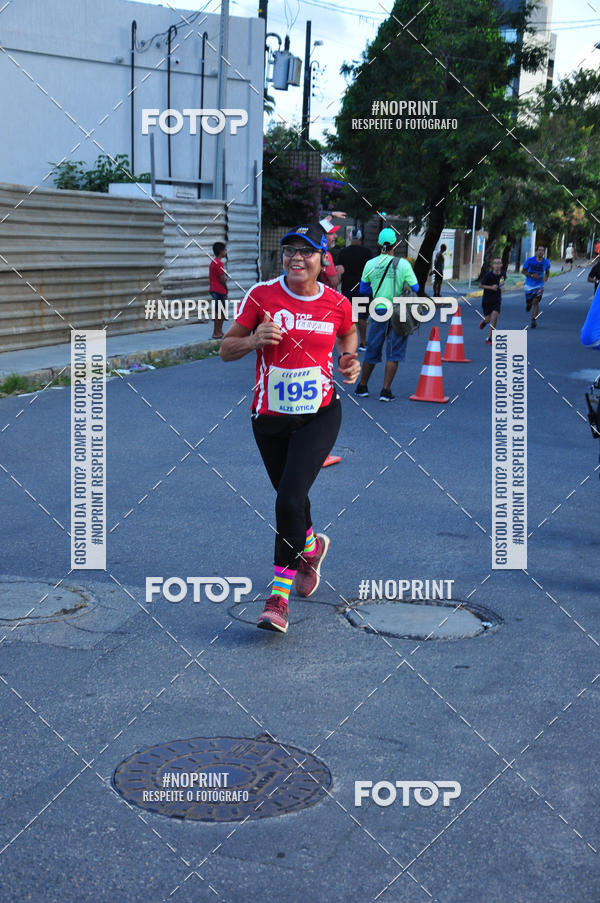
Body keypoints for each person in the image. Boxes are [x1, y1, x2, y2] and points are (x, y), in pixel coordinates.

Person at [219, 223, 360, 634]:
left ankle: (278, 599)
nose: (296, 258)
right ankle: (310, 549)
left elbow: (349, 332)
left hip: (319, 414)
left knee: (289, 498)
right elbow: (226, 349)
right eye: (289, 250)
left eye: (306, 251)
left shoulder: (336, 303)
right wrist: (253, 340)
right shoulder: (262, 296)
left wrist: (348, 358)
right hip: (269, 420)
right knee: (292, 499)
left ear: (322, 259)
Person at [355, 227, 420, 402]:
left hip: (379, 310)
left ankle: (362, 386)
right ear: (395, 244)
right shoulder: (404, 264)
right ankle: (385, 390)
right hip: (399, 312)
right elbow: (415, 287)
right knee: (393, 352)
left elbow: (363, 290)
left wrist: (377, 288)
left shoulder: (370, 264)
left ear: (378, 244)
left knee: (373, 348)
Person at [337, 228, 373, 351]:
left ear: (349, 237)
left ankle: (347, 343)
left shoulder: (343, 252)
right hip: (362, 288)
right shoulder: (367, 252)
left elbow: (339, 270)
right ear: (361, 238)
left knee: (348, 317)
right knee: (362, 316)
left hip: (347, 288)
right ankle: (363, 342)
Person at [522, 245, 550, 329]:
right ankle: (528, 304)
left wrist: (546, 278)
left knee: (536, 301)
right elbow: (523, 271)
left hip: (539, 285)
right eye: (539, 250)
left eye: (542, 250)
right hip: (529, 285)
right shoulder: (530, 260)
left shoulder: (546, 262)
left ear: (544, 252)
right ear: (536, 251)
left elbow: (547, 271)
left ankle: (533, 320)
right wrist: (531, 275)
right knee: (529, 301)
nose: (541, 252)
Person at [478, 257, 505, 345]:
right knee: (488, 319)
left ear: (501, 265)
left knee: (494, 318)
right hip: (487, 300)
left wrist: (502, 286)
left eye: (499, 263)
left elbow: (502, 284)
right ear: (493, 265)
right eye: (495, 263)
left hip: (497, 299)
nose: (497, 265)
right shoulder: (488, 275)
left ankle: (489, 338)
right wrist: (491, 287)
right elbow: (480, 285)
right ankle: (485, 322)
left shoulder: (503, 274)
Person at [209, 241, 228, 339]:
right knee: (220, 312)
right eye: (225, 250)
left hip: (214, 289)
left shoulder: (213, 262)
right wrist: (226, 288)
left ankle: (219, 331)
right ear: (221, 251)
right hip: (219, 290)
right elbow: (222, 279)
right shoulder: (220, 263)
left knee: (219, 311)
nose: (226, 252)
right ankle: (217, 332)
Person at [318, 217, 344, 290]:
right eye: (331, 233)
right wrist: (339, 271)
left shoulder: (314, 251)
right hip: (325, 293)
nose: (335, 236)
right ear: (322, 236)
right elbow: (334, 282)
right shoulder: (326, 255)